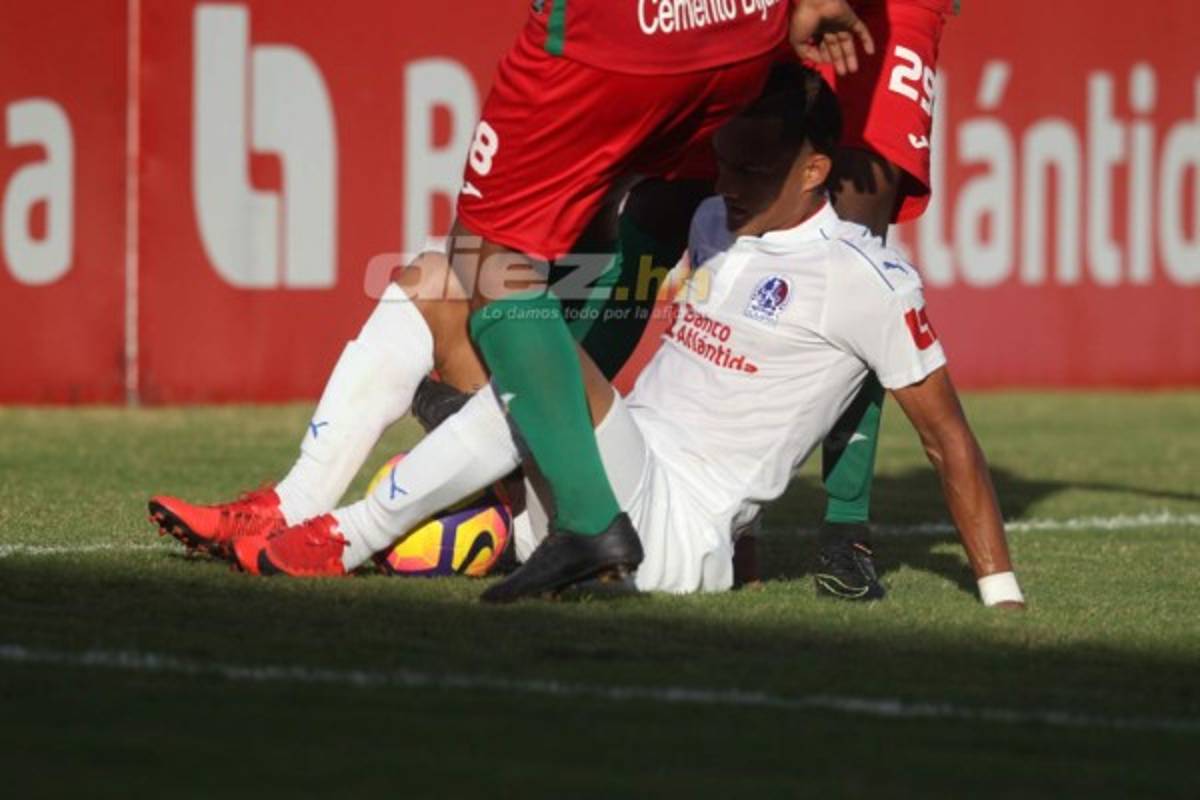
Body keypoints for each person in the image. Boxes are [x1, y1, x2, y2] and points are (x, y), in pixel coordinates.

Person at [158, 64, 1024, 608]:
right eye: (721, 161)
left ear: (815, 170)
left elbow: (948, 441)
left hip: (669, 532)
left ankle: (346, 539)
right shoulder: (718, 221)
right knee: (439, 275)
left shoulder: (867, 280)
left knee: (536, 348)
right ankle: (297, 501)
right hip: (607, 472)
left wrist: (1001, 594)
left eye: (750, 169)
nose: (724, 182)